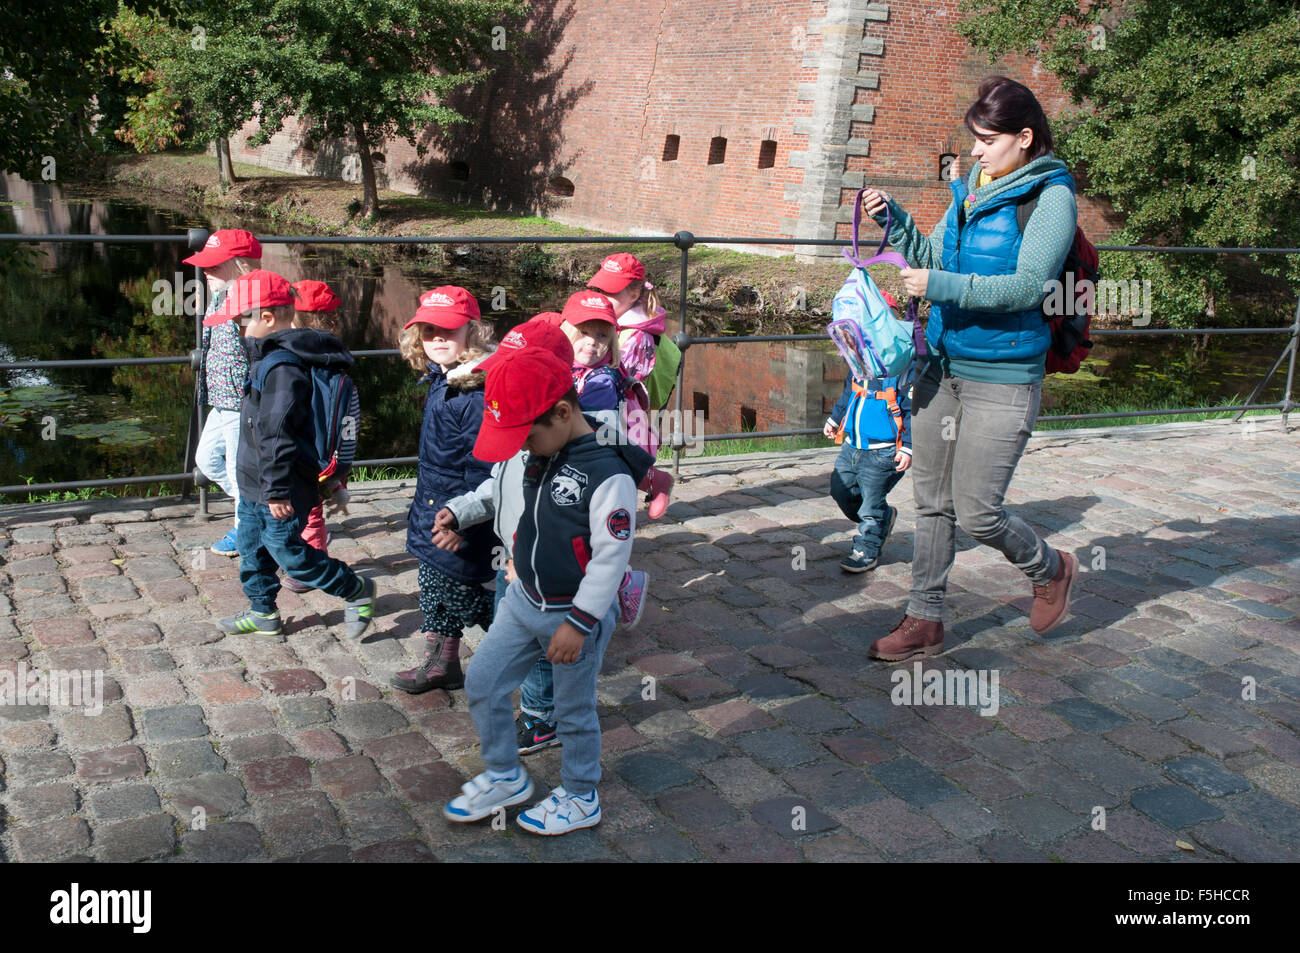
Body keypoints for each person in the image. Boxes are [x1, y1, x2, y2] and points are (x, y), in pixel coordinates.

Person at [861, 75, 1080, 661]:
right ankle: (923, 621)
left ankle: (1050, 566)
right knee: (932, 503)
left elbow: (1028, 287)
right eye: (974, 139)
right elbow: (933, 256)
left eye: (987, 140)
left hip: (1003, 377)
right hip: (943, 368)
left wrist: (941, 285)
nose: (975, 150)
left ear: (1025, 137)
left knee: (980, 510)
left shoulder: (1052, 197)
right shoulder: (971, 189)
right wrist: (899, 221)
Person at [432, 316, 651, 754]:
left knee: (552, 653)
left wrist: (651, 480)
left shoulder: (571, 439)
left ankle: (540, 716)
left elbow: (622, 465)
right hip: (519, 557)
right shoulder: (527, 435)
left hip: (548, 570)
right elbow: (497, 483)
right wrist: (462, 510)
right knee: (514, 635)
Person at [210, 270, 375, 639]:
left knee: (289, 552)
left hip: (279, 486)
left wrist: (277, 491)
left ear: (267, 318)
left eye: (242, 321)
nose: (238, 329)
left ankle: (355, 589)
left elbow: (278, 434)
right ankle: (262, 611)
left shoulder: (282, 367)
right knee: (252, 549)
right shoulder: (267, 357)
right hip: (257, 481)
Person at [390, 286, 498, 694]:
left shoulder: (471, 393)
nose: (437, 338)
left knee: (464, 593)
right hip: (436, 507)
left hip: (456, 517)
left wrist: (462, 523)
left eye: (449, 331)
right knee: (435, 588)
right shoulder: (443, 379)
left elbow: (483, 466)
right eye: (430, 329)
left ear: (473, 331)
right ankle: (442, 664)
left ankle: (538, 650)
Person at [187, 228, 262, 556]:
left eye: (215, 265)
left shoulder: (250, 300)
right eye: (206, 265)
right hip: (221, 398)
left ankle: (244, 527)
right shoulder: (221, 296)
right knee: (205, 460)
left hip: (239, 398)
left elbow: (259, 347)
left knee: (236, 465)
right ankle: (264, 513)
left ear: (242, 265)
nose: (205, 270)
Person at [587, 253, 676, 518]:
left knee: (612, 460)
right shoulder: (608, 322)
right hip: (603, 401)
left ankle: (652, 485)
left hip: (621, 406)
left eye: (611, 293)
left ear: (635, 293)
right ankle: (654, 482)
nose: (604, 297)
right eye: (601, 289)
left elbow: (621, 378)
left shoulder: (636, 336)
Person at [281, 279, 353, 593]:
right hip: (337, 451)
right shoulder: (336, 358)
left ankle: (312, 564)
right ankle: (305, 555)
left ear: (296, 318)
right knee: (312, 508)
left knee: (309, 511)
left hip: (313, 454)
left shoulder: (299, 361)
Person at [823, 351, 913, 573]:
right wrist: (835, 418)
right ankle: (883, 518)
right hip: (852, 445)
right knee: (840, 490)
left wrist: (908, 446)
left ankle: (867, 550)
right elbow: (849, 393)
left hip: (884, 451)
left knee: (870, 505)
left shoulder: (905, 369)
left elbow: (914, 411)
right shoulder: (860, 362)